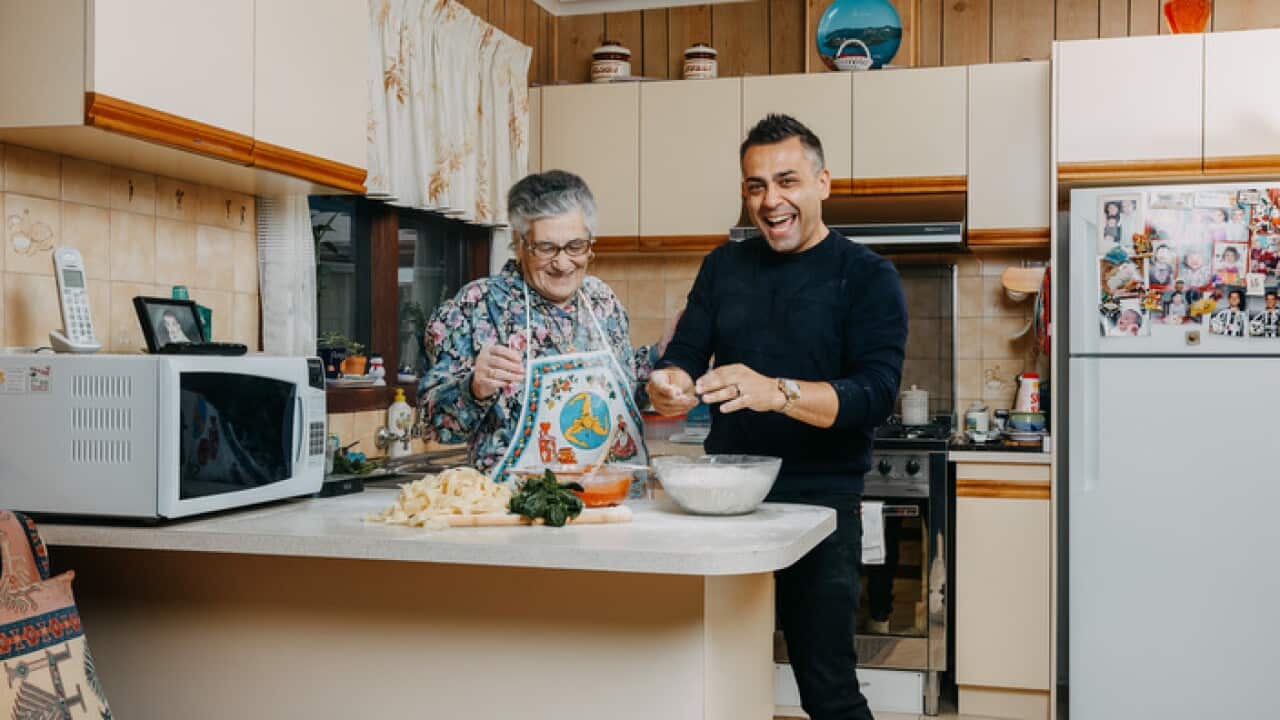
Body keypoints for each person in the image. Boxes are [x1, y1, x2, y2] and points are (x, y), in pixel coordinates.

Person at [647, 114, 906, 720]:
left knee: (828, 689)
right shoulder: (723, 266)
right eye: (755, 186)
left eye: (786, 181)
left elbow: (874, 395)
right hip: (724, 500)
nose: (770, 201)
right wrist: (668, 384)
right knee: (706, 673)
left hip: (819, 504)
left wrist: (778, 392)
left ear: (823, 183)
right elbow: (684, 356)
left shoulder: (868, 275)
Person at [418, 170, 669, 482]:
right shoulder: (476, 306)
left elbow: (622, 394)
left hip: (612, 499)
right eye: (546, 248)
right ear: (519, 243)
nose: (562, 264)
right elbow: (433, 424)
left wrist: (660, 357)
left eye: (575, 246)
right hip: (521, 505)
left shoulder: (602, 301)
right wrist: (474, 389)